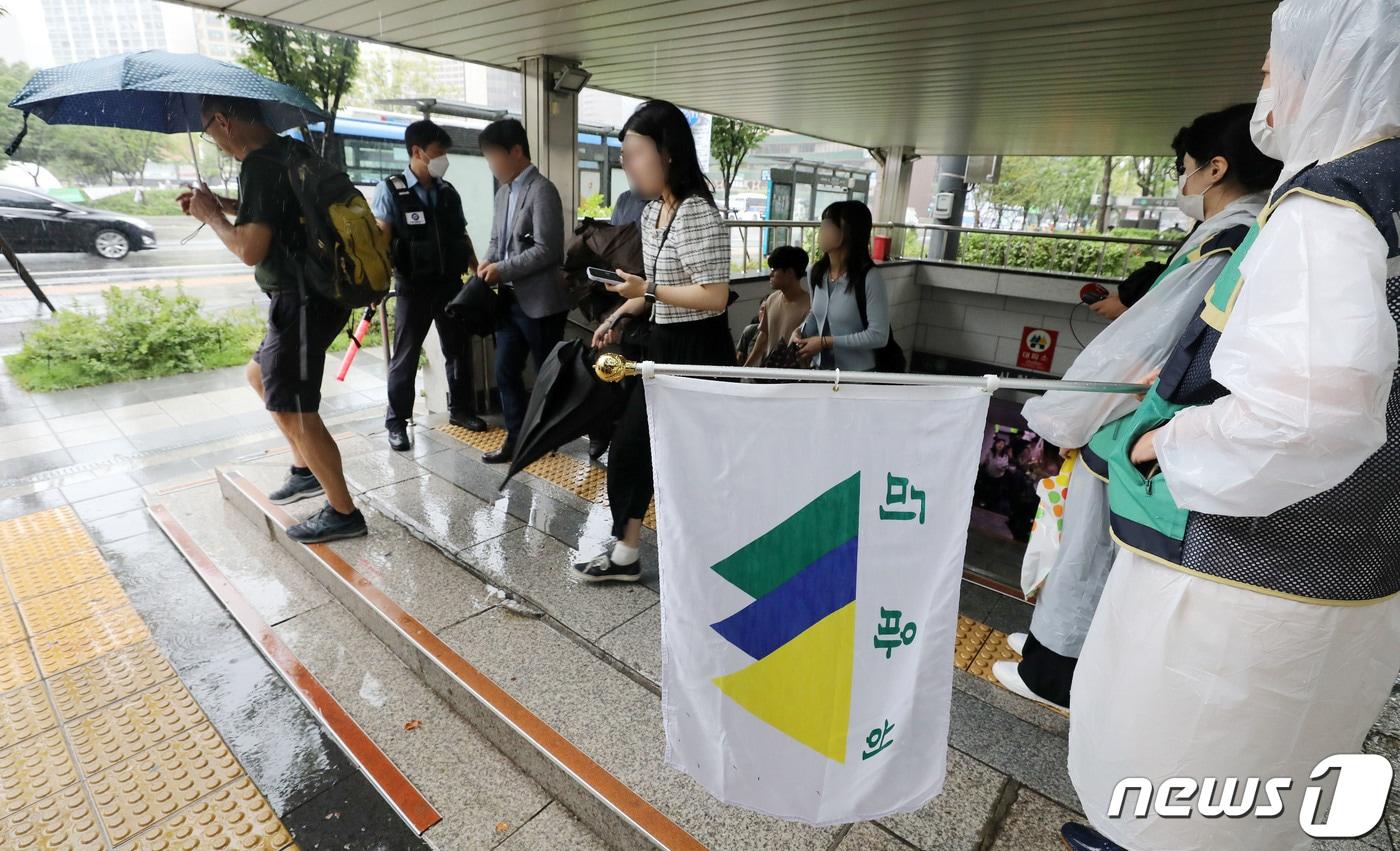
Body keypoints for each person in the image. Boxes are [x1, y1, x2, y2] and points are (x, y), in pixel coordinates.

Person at [1061, 3, 1400, 849]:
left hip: (1246, 583)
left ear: (1335, 64)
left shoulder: (1332, 209)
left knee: (1186, 784)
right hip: (1358, 565)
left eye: (1274, 57)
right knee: (1267, 792)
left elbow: (1304, 420)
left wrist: (1159, 441)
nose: (1262, 77)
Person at [996, 103, 1282, 711]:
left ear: (1215, 168)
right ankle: (1055, 653)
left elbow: (1139, 343)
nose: (1182, 181)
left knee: (1089, 553)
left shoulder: (1227, 238)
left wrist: (1064, 415)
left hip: (1140, 423)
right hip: (1173, 425)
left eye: (1185, 168)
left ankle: (1053, 673)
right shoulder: (1259, 228)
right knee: (1102, 556)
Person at [180, 95, 366, 543]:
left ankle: (343, 512)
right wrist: (225, 204)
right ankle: (305, 469)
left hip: (300, 300)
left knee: (291, 405)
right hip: (319, 293)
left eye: (209, 132)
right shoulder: (291, 152)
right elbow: (284, 214)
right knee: (259, 374)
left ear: (222, 122)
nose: (215, 143)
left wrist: (210, 218)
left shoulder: (259, 165)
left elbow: (250, 249)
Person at [572, 100, 733, 582]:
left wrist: (649, 291)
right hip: (664, 346)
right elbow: (658, 289)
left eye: (635, 151)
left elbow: (715, 296)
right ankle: (627, 553)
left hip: (700, 352)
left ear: (667, 153)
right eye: (624, 153)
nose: (627, 162)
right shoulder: (651, 214)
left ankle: (706, 553)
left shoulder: (696, 212)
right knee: (634, 449)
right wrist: (623, 308)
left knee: (689, 460)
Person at [371, 119, 486, 452]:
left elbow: (461, 236)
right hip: (412, 286)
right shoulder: (391, 189)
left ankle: (461, 410)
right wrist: (375, 282)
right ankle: (397, 423)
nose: (443, 160)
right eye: (438, 153)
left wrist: (476, 270)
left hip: (450, 284)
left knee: (458, 351)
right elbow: (382, 239)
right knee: (405, 356)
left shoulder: (447, 192)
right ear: (417, 152)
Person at [476, 118, 572, 464]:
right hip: (509, 302)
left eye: (493, 156)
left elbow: (549, 249)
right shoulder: (503, 193)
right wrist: (486, 264)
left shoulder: (542, 190)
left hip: (542, 304)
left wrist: (501, 269)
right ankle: (516, 441)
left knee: (550, 377)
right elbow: (496, 242)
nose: (491, 164)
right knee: (505, 371)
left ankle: (550, 436)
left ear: (516, 151)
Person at [792, 201, 888, 371]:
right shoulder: (816, 272)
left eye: (828, 226)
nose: (821, 233)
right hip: (820, 371)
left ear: (848, 232)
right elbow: (816, 314)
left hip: (857, 378)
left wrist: (825, 342)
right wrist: (800, 332)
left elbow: (879, 336)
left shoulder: (869, 277)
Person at [742, 245, 811, 366]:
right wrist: (746, 367)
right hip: (770, 370)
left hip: (795, 376)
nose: (770, 275)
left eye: (774, 269)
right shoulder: (772, 299)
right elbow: (763, 336)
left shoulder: (810, 306)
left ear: (789, 273)